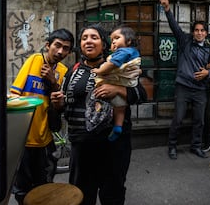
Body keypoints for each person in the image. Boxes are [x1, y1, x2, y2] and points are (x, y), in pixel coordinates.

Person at [50, 24, 146, 205]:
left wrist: (116, 89)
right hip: (81, 147)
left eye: (94, 37)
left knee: (112, 195)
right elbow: (66, 107)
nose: (88, 41)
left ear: (104, 43)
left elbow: (141, 95)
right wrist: (59, 104)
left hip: (112, 146)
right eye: (84, 38)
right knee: (82, 195)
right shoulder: (73, 71)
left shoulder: (119, 67)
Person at [10, 28, 74, 204]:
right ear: (48, 45)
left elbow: (59, 107)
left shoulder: (63, 71)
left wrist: (53, 82)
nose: (61, 51)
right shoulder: (35, 60)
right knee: (22, 188)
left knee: (44, 186)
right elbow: (15, 93)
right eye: (57, 46)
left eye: (66, 48)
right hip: (24, 137)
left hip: (45, 138)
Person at [158, 0, 210, 160]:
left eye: (202, 30)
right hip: (183, 86)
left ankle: (196, 146)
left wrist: (208, 72)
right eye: (196, 30)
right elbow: (174, 26)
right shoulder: (185, 42)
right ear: (193, 32)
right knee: (178, 118)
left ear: (206, 33)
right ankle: (172, 147)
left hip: (200, 89)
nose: (199, 33)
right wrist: (167, 8)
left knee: (199, 121)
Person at [91, 25, 141, 141]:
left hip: (122, 81)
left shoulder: (123, 52)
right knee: (120, 107)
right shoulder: (130, 52)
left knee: (117, 106)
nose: (113, 41)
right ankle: (118, 126)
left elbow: (112, 65)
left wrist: (99, 71)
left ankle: (115, 126)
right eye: (112, 40)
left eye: (117, 38)